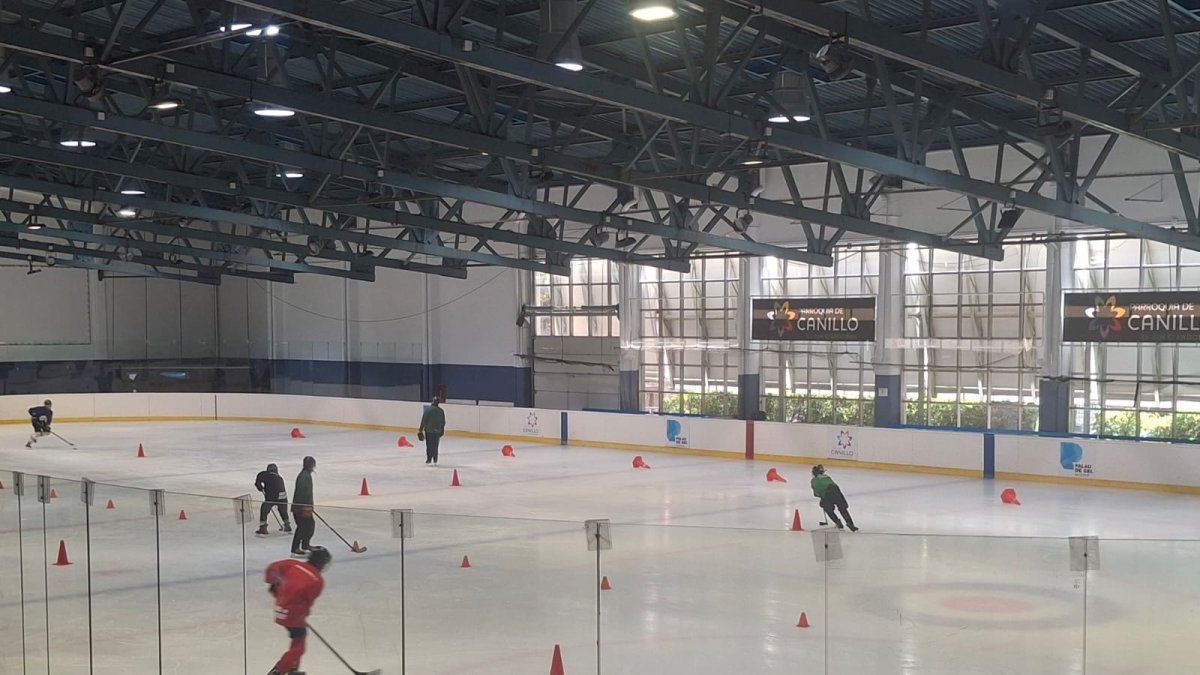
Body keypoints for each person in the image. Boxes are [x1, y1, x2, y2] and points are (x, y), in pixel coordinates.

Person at [264, 546, 331, 675]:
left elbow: (272, 568)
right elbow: (307, 601)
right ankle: (280, 670)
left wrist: (273, 584)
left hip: (280, 608)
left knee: (297, 639)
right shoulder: (317, 580)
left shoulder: (293, 564)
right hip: (293, 614)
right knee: (299, 646)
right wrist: (303, 614)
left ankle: (292, 668)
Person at [811, 464, 858, 532]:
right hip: (836, 492)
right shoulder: (827, 477)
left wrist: (822, 499)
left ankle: (837, 522)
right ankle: (850, 524)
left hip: (827, 495)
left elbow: (816, 493)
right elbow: (834, 485)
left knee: (828, 509)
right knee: (843, 508)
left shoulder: (813, 481)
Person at [255, 463, 292, 537]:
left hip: (272, 496)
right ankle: (287, 525)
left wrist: (260, 488)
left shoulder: (265, 475)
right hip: (283, 497)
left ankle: (263, 527)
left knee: (264, 509)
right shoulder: (280, 477)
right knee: (283, 511)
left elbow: (258, 481)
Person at [291, 456, 316, 557]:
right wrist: (305, 507)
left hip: (304, 507)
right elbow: (301, 493)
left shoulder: (306, 475)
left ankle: (305, 544)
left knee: (309, 525)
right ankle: (295, 547)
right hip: (301, 508)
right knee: (302, 527)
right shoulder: (304, 477)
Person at [417, 396, 446, 465]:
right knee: (435, 446)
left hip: (429, 431)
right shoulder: (441, 411)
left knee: (429, 445)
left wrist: (420, 430)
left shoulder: (428, 410)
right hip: (437, 432)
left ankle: (429, 459)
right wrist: (442, 430)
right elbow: (443, 422)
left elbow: (424, 420)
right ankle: (435, 459)